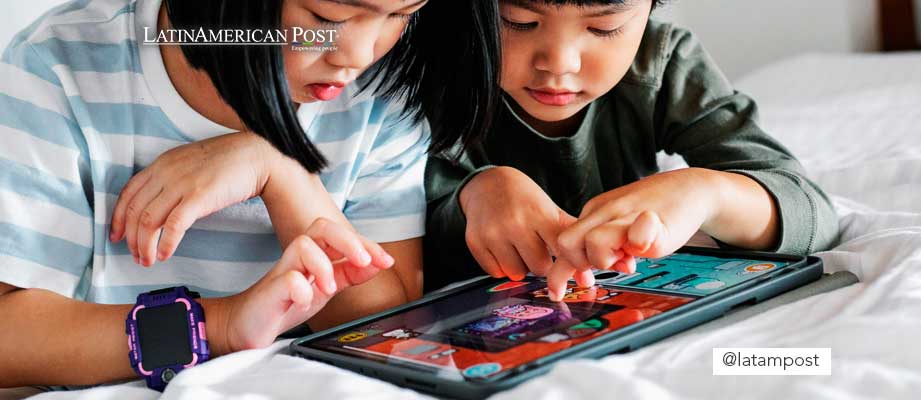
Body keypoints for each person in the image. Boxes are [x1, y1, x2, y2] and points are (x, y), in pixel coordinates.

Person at [0, 0, 500, 388]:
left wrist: (280, 174)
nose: (358, 55)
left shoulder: (382, 96)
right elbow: (9, 338)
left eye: (400, 14)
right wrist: (218, 325)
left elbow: (384, 325)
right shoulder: (59, 69)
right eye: (325, 15)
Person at [424, 0, 839, 300]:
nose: (560, 63)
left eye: (604, 27)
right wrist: (474, 195)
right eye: (519, 20)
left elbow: (809, 209)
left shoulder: (660, 63)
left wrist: (704, 193)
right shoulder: (423, 73)